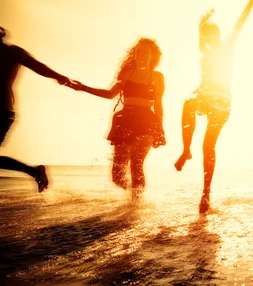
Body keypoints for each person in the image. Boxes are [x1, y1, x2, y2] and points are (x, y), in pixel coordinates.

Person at [174, 0, 253, 214]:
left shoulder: (226, 47)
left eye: (211, 36)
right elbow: (200, 40)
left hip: (222, 102)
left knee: (208, 145)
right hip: (206, 97)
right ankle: (186, 150)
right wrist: (201, 25)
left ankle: (205, 194)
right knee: (188, 103)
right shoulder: (205, 51)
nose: (208, 41)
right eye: (206, 37)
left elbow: (239, 24)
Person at [71, 38, 165, 199]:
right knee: (116, 175)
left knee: (136, 164)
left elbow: (158, 104)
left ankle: (136, 205)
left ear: (152, 56)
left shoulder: (156, 77)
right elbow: (109, 94)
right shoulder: (127, 75)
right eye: (138, 52)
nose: (140, 55)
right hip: (125, 120)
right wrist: (83, 88)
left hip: (146, 121)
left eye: (145, 52)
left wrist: (159, 128)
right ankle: (131, 195)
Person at [0, 26, 74, 192]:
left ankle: (34, 171)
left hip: (2, 110)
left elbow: (37, 66)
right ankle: (34, 171)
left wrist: (59, 77)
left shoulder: (12, 52)